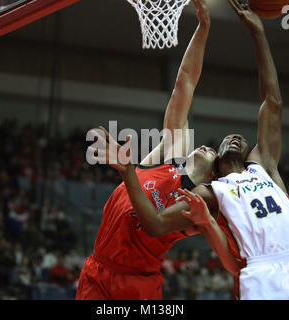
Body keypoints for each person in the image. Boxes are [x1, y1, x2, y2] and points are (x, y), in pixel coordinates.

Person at [176, 0, 289, 300]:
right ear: (212, 166)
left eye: (242, 138)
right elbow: (165, 224)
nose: (236, 137)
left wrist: (259, 35)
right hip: (260, 275)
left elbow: (272, 102)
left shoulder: (265, 169)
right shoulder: (212, 192)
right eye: (225, 139)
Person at [76, 0, 234, 300]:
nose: (204, 145)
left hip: (138, 284)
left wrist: (127, 172)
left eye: (212, 150)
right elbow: (184, 83)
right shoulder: (168, 157)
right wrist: (203, 28)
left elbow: (155, 227)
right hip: (97, 271)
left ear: (213, 173)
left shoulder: (200, 201)